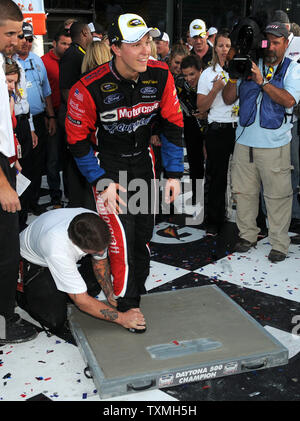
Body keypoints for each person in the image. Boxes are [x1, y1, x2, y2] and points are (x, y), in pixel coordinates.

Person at [65, 13, 184, 332]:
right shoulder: (87, 88)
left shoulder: (160, 75)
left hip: (144, 162)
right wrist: (100, 180)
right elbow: (76, 141)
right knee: (119, 236)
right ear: (115, 48)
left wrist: (173, 173)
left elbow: (173, 123)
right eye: (136, 44)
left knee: (143, 234)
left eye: (148, 41)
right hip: (108, 166)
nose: (147, 50)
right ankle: (125, 304)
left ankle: (134, 293)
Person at [223, 22, 300, 262]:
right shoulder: (249, 64)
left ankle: (279, 243)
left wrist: (262, 82)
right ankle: (247, 235)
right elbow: (227, 99)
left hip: (275, 144)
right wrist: (235, 77)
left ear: (286, 44)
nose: (271, 47)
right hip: (244, 143)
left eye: (277, 42)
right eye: (268, 41)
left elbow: (289, 100)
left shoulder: (292, 69)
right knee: (244, 193)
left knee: (277, 196)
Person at [18, 208, 145, 332]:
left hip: (56, 241)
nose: (101, 252)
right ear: (76, 244)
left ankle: (66, 287)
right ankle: (20, 292)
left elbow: (100, 261)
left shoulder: (96, 224)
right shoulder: (58, 249)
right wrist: (122, 318)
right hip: (35, 261)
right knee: (54, 320)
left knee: (92, 287)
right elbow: (82, 301)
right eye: (96, 251)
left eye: (103, 247)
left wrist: (109, 292)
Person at [0, 0, 37, 345]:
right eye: (10, 32)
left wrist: (13, 158)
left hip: (7, 165)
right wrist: (3, 182)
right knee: (6, 252)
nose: (16, 40)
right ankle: (4, 322)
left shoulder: (0, 65)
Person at [197, 31, 238, 236]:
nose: (224, 50)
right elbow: (200, 107)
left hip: (240, 130)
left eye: (228, 46)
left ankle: (254, 221)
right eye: (221, 45)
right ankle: (213, 220)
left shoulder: (241, 70)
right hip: (218, 129)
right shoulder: (207, 73)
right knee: (216, 178)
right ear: (215, 49)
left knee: (245, 178)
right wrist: (215, 90)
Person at [16, 22, 56, 216]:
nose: (26, 42)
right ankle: (21, 204)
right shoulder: (8, 61)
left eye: (30, 39)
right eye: (22, 37)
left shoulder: (37, 61)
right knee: (22, 164)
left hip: (39, 119)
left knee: (38, 164)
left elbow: (46, 91)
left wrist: (51, 116)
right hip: (19, 122)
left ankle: (33, 201)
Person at [5, 25, 38, 230]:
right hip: (8, 125)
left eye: (26, 38)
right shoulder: (4, 65)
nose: (22, 41)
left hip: (24, 123)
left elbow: (23, 98)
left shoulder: (22, 64)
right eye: (18, 37)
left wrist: (32, 128)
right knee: (11, 172)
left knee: (27, 171)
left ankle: (23, 217)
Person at [42, 29, 72, 208]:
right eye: (63, 43)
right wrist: (49, 116)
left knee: (69, 158)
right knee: (53, 158)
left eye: (69, 44)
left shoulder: (73, 61)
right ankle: (55, 197)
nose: (67, 47)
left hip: (69, 115)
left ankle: (70, 194)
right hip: (52, 115)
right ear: (54, 43)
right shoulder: (43, 62)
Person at [176, 54, 206, 210]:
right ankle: (197, 195)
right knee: (195, 162)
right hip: (190, 125)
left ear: (201, 71)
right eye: (185, 74)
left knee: (213, 163)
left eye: (192, 74)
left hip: (211, 124)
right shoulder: (179, 83)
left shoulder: (209, 81)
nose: (188, 78)